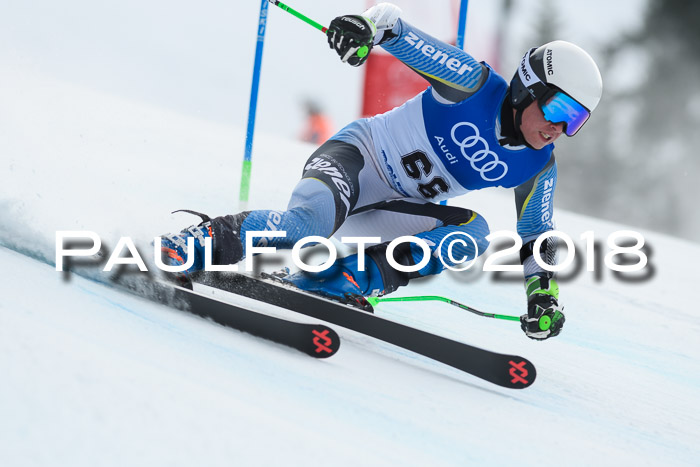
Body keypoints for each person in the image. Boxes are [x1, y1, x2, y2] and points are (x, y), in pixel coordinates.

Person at [161, 3, 603, 341]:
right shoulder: (472, 83)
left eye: (577, 121)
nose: (560, 128)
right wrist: (364, 29)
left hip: (391, 210)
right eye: (560, 108)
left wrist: (542, 295)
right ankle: (197, 242)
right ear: (529, 89)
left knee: (474, 233)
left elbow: (537, 235)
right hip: (355, 160)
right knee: (307, 225)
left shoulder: (537, 165)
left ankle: (334, 281)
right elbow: (393, 25)